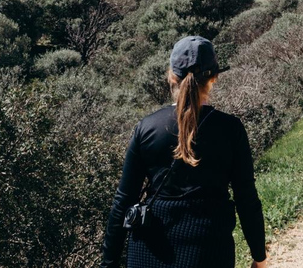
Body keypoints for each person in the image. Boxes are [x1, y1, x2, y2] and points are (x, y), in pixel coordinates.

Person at [100, 36, 268, 268]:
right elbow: (246, 198)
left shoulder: (146, 128)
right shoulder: (231, 129)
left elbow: (123, 201)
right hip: (208, 251)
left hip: (147, 253)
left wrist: (108, 264)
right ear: (214, 78)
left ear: (171, 77)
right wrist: (259, 256)